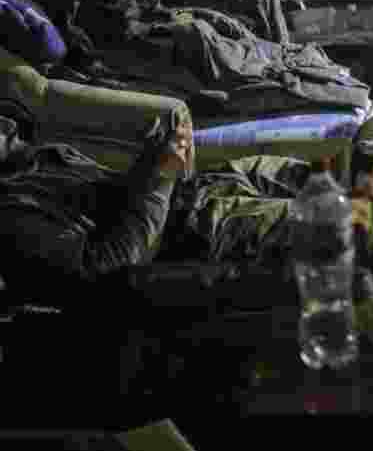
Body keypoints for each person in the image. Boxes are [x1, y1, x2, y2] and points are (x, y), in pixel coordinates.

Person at [0, 103, 310, 309]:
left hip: (199, 193)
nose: (6, 121)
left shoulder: (38, 159)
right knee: (329, 221)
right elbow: (116, 270)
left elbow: (118, 201)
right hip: (194, 236)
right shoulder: (13, 219)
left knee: (316, 177)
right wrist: (161, 176)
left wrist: (154, 161)